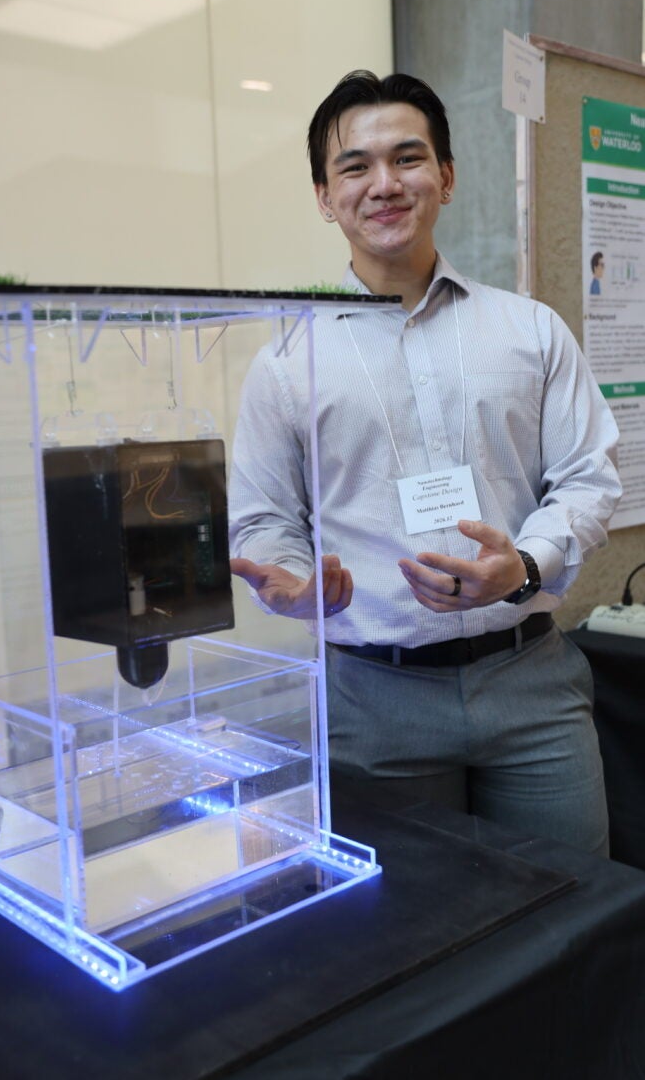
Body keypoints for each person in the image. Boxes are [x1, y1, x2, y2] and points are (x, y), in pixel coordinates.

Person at [229, 71, 621, 855]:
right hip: (371, 699)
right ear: (323, 194)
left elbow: (584, 474)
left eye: (407, 158)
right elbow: (265, 518)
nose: (384, 183)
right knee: (412, 942)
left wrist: (526, 564)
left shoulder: (530, 330)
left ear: (444, 175)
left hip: (530, 687)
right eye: (355, 166)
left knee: (576, 920)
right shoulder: (284, 362)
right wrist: (294, 580)